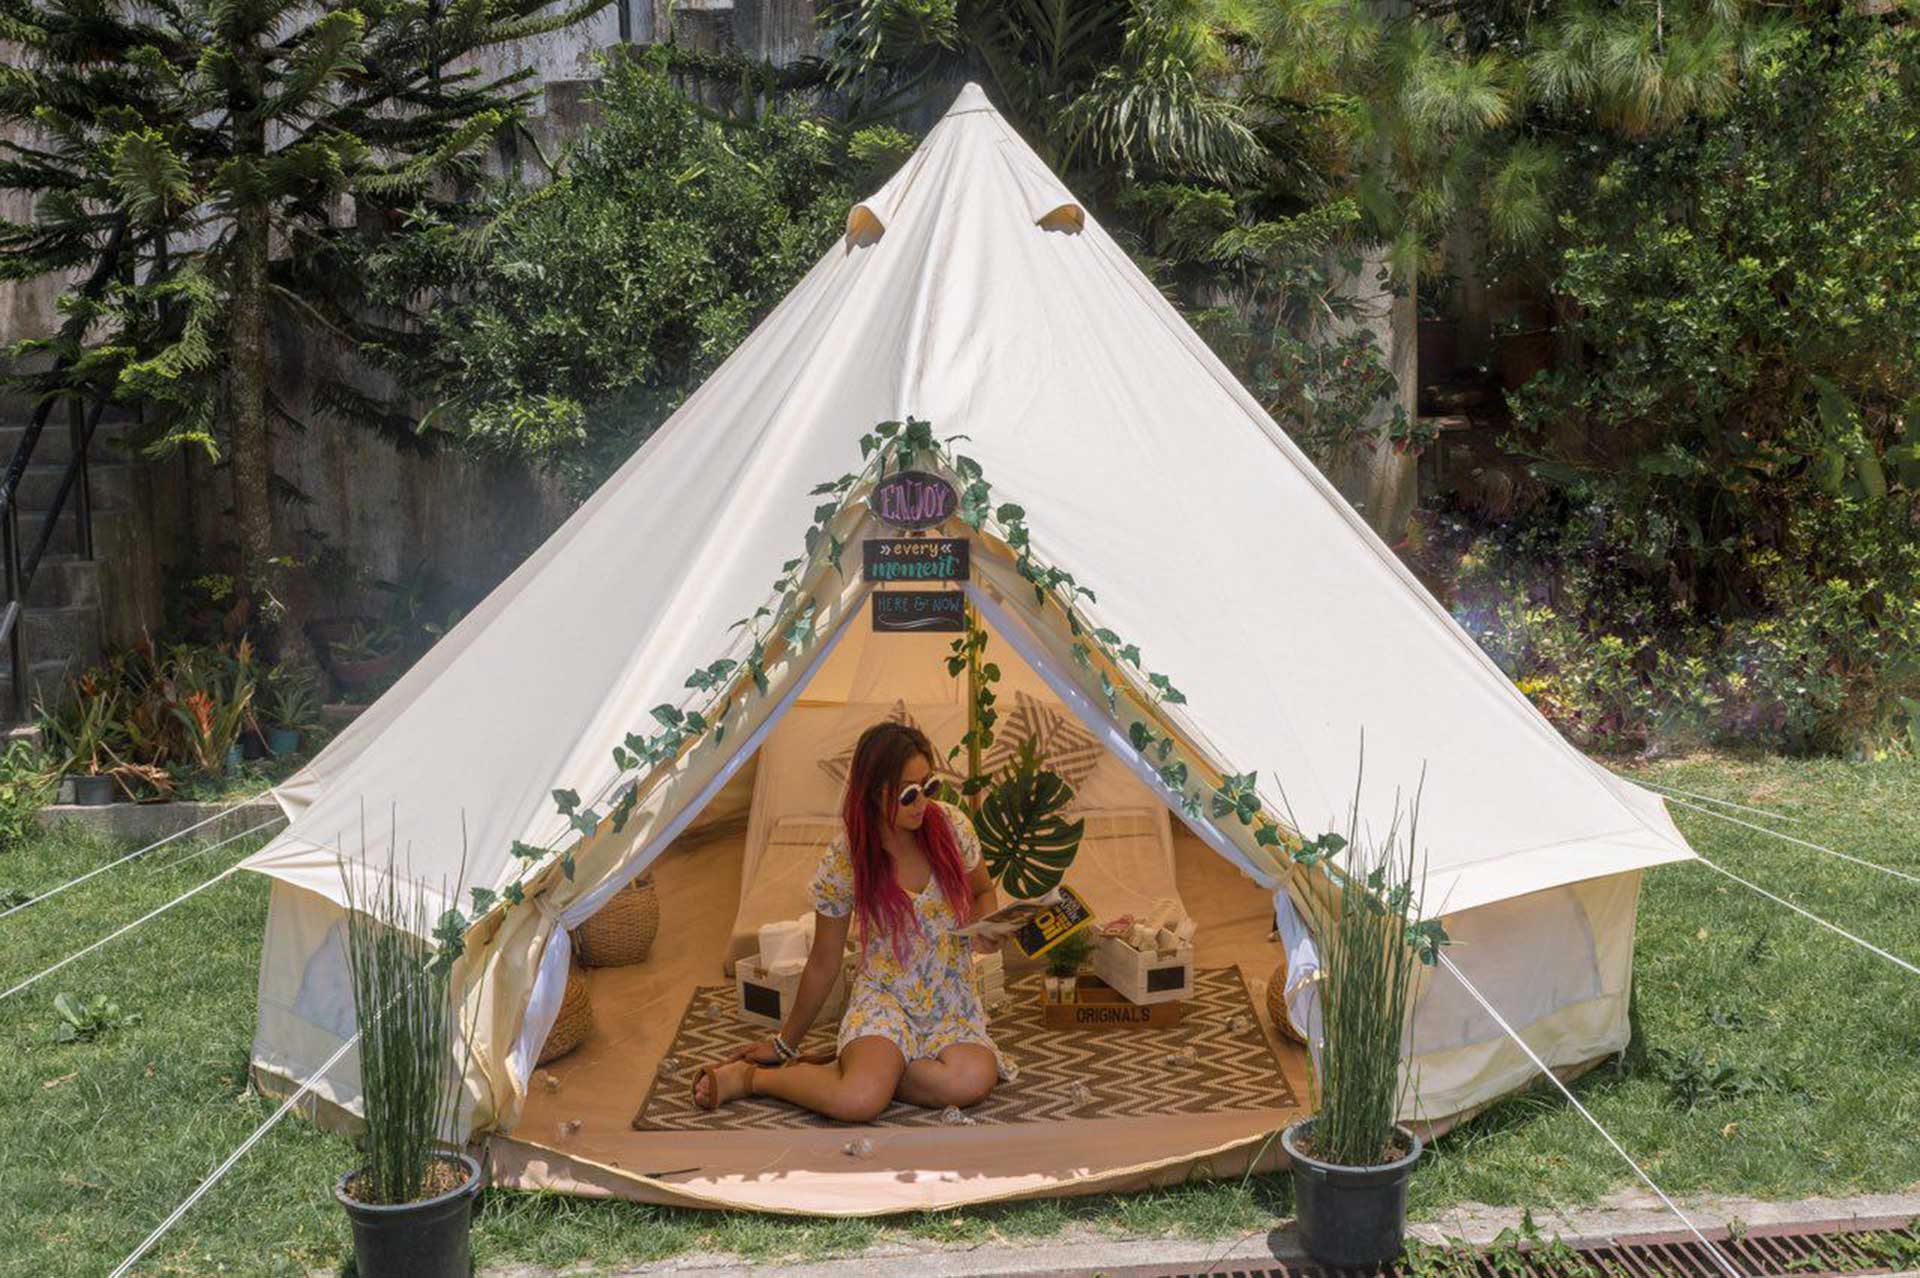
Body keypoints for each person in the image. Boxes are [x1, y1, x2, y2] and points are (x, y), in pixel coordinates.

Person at [692, 720, 1005, 1120]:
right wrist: (784, 1043)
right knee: (858, 1101)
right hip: (885, 999)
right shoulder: (847, 859)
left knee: (972, 1082)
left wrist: (987, 926)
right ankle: (753, 1079)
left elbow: (982, 893)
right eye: (909, 794)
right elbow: (824, 960)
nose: (923, 803)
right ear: (874, 793)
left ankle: (864, 1066)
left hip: (951, 998)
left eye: (930, 786)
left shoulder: (953, 827)